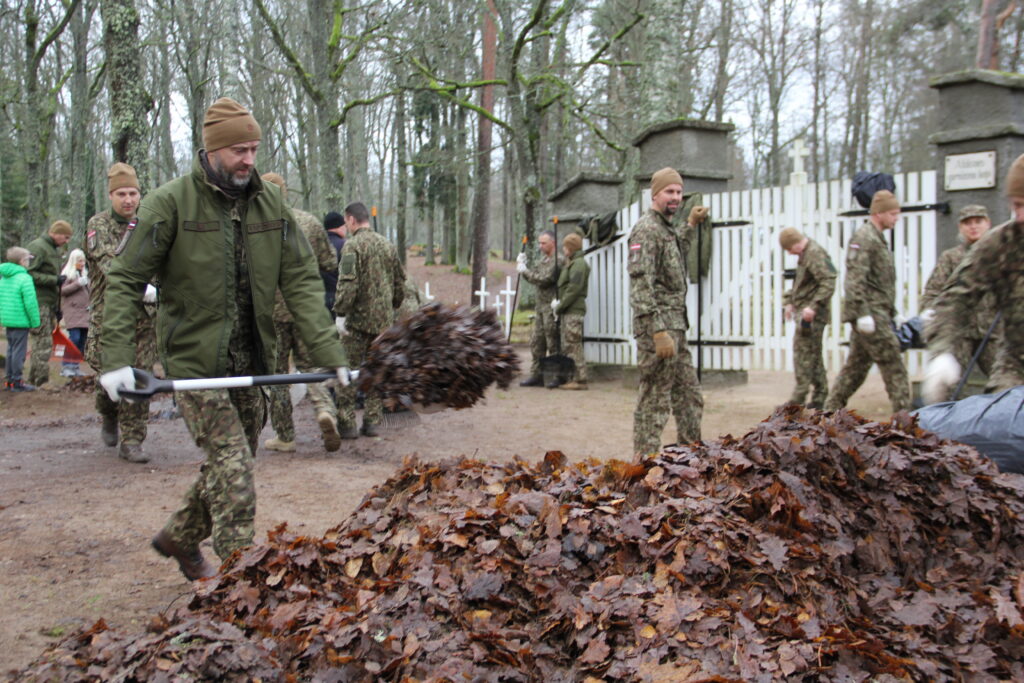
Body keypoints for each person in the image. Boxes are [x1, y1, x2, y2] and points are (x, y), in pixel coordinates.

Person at [98, 97, 348, 581]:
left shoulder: (271, 203)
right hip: (195, 364)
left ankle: (180, 535)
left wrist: (327, 350)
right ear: (211, 150)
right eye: (238, 150)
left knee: (231, 462)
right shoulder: (169, 204)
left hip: (253, 359)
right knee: (234, 467)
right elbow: (125, 278)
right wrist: (116, 360)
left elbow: (300, 277)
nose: (249, 160)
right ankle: (240, 585)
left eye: (254, 149)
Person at [924, 155, 1024, 403]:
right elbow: (956, 297)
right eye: (1017, 205)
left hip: (996, 340)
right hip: (1016, 362)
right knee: (1003, 415)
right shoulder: (1001, 243)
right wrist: (942, 351)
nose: (1021, 215)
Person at [259, 172, 343, 454]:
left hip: (271, 312)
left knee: (277, 374)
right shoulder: (309, 222)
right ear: (285, 193)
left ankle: (285, 435)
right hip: (306, 307)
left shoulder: (256, 228)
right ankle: (325, 410)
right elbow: (330, 262)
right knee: (311, 365)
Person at [628, 167, 706, 455]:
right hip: (659, 329)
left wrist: (691, 224)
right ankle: (644, 462)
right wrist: (657, 331)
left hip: (677, 327)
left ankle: (691, 459)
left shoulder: (666, 228)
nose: (675, 197)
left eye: (679, 192)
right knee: (655, 400)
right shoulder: (646, 229)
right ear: (655, 194)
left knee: (690, 396)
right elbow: (641, 284)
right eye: (669, 191)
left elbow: (673, 254)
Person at [85, 162, 159, 464]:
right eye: (121, 194)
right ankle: (108, 412)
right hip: (109, 318)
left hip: (144, 320)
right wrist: (145, 287)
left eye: (133, 193)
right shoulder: (99, 225)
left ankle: (133, 441)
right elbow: (110, 265)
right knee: (109, 377)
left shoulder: (148, 224)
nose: (128, 200)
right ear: (111, 195)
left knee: (140, 377)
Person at [824, 190, 911, 413]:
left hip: (878, 313)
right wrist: (862, 313)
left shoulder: (877, 238)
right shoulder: (864, 238)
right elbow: (854, 279)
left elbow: (878, 283)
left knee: (856, 369)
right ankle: (905, 419)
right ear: (879, 213)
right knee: (894, 365)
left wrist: (893, 312)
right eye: (893, 214)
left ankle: (828, 413)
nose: (896, 218)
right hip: (871, 314)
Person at [333, 201, 405, 438]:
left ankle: (347, 423)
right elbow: (399, 282)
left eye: (346, 221)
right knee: (376, 371)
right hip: (383, 322)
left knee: (346, 372)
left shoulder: (352, 246)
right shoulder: (387, 245)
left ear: (351, 220)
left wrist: (340, 313)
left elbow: (348, 283)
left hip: (356, 323)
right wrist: (391, 307)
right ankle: (372, 421)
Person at [918, 205, 999, 398]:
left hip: (993, 331)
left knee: (1008, 382)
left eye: (978, 221)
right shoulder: (951, 258)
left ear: (988, 223)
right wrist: (928, 311)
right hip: (959, 331)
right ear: (960, 227)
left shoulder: (1000, 254)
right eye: (967, 223)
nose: (973, 226)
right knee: (950, 386)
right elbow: (933, 291)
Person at [779, 227, 837, 408]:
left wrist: (813, 307)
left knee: (802, 354)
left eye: (789, 249)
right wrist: (789, 301)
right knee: (813, 354)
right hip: (806, 312)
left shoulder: (814, 254)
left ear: (795, 244)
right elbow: (802, 284)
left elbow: (829, 281)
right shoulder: (806, 255)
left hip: (812, 316)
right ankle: (820, 397)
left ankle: (798, 398)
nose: (789, 253)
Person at [25, 220, 72, 387]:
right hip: (39, 301)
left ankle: (35, 379)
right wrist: (54, 279)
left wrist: (57, 307)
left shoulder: (52, 249)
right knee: (43, 341)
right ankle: (41, 381)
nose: (66, 241)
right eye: (65, 237)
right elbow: (28, 273)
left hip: (49, 302)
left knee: (44, 341)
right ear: (56, 233)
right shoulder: (38, 247)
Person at [516, 230, 561, 387]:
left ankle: (557, 375)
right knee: (537, 342)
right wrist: (523, 265)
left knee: (552, 342)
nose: (541, 246)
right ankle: (537, 374)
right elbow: (534, 274)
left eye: (544, 243)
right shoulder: (543, 260)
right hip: (541, 307)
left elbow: (544, 279)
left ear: (553, 243)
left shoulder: (558, 260)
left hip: (551, 307)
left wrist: (525, 271)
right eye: (539, 243)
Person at [551, 232, 590, 390]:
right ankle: (573, 377)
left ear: (572, 248)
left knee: (573, 344)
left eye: (566, 246)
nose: (563, 249)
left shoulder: (578, 264)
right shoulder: (572, 263)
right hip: (568, 310)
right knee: (569, 344)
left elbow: (574, 289)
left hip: (573, 310)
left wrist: (559, 306)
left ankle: (580, 379)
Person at [1, 247, 41, 391]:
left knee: (11, 350)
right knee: (19, 352)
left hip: (8, 320)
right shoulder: (25, 278)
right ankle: (17, 381)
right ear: (22, 261)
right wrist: (35, 322)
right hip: (21, 321)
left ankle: (9, 380)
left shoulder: (4, 278)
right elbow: (30, 303)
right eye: (27, 260)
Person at [58, 249, 89, 377]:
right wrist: (77, 284)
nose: (82, 263)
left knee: (82, 339)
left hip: (85, 312)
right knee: (74, 338)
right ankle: (66, 366)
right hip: (73, 311)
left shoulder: (84, 274)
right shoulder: (67, 275)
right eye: (79, 261)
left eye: (83, 261)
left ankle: (75, 366)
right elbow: (62, 291)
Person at [322, 211, 346, 314]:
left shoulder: (318, 244)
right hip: (338, 297)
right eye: (344, 226)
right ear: (338, 227)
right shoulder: (345, 246)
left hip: (319, 298)